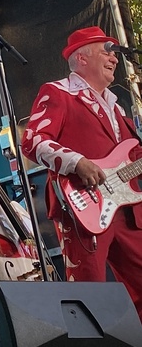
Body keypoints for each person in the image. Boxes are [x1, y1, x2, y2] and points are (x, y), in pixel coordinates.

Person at [21, 26, 142, 321]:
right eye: (107, 50)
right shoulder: (59, 93)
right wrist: (78, 162)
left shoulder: (117, 108)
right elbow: (33, 141)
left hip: (128, 211)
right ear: (82, 57)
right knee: (89, 298)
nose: (114, 58)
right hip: (84, 209)